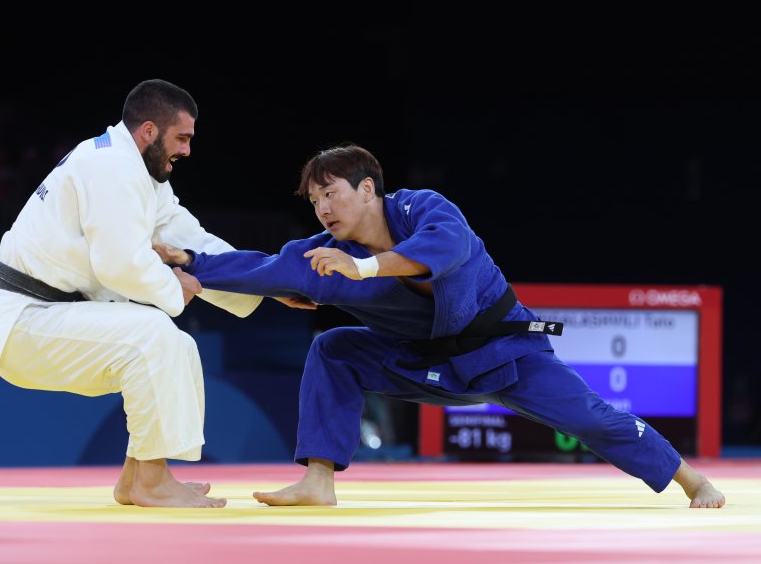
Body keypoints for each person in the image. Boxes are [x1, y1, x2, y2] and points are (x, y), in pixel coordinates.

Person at [154, 143, 726, 509]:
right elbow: (264, 266)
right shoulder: (329, 257)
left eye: (331, 193)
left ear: (368, 187)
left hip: (504, 354)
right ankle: (318, 480)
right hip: (425, 364)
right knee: (334, 348)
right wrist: (192, 265)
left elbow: (443, 251)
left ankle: (690, 480)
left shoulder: (426, 210)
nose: (323, 208)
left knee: (592, 418)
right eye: (314, 200)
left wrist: (366, 267)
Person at [0, 79, 310, 508]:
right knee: (152, 334)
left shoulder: (141, 176)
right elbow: (119, 261)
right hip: (25, 321)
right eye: (181, 138)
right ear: (149, 130)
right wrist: (173, 287)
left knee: (175, 345)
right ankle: (152, 480)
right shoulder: (110, 167)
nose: (187, 150)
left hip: (50, 317)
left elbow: (193, 241)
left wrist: (268, 281)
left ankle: (137, 476)